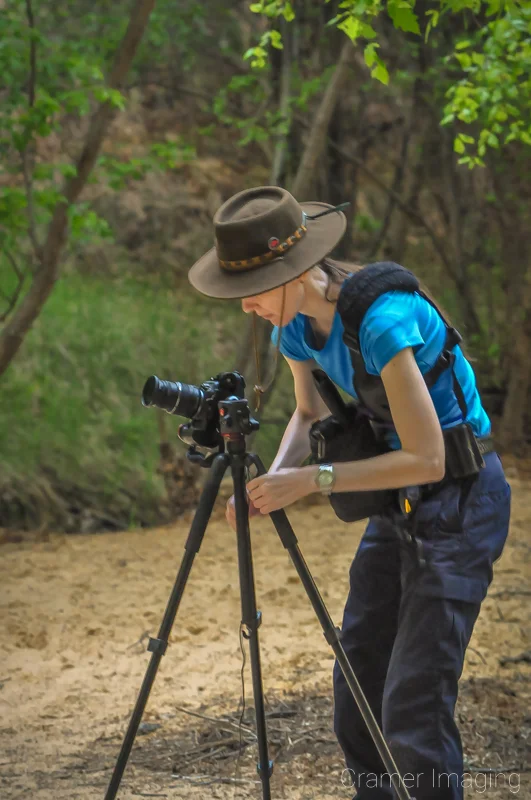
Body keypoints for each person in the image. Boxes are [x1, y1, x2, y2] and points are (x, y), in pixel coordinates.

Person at [188, 185, 511, 799]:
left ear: (295, 271)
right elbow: (307, 415)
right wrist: (266, 483)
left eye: (251, 291)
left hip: (462, 501)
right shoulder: (296, 328)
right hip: (399, 503)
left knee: (412, 709)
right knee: (357, 693)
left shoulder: (384, 320)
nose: (245, 307)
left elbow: (428, 455)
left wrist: (309, 480)